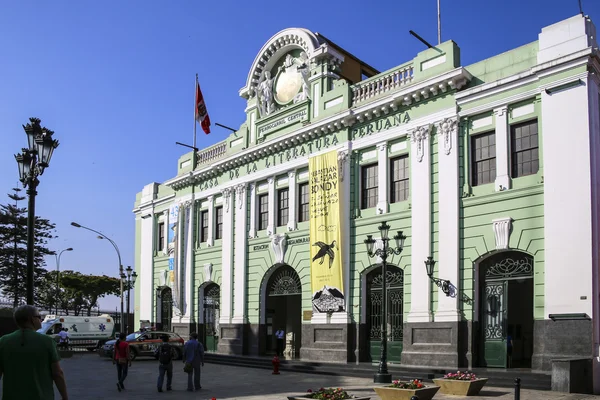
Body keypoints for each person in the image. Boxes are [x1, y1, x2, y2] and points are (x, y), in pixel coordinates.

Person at [0, 305, 69, 400]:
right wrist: (65, 397)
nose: (41, 320)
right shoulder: (47, 342)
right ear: (32, 319)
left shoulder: (3, 341)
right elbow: (57, 373)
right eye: (39, 317)